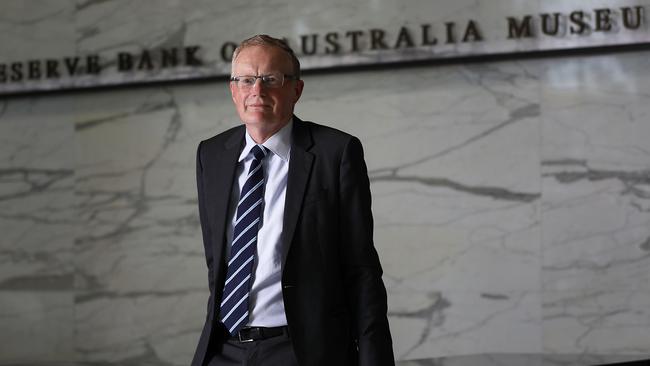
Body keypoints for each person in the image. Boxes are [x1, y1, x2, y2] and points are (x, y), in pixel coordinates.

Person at [192, 34, 394, 366]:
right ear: (233, 90)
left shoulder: (335, 153)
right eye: (245, 80)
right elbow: (218, 264)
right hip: (223, 349)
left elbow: (362, 270)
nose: (257, 90)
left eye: (271, 79)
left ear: (296, 89)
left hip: (299, 351)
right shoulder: (211, 155)